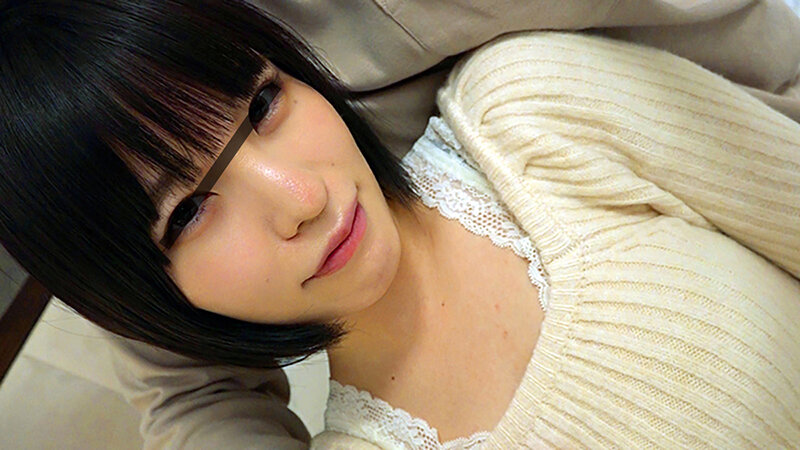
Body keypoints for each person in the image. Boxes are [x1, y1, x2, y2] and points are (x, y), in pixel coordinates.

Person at [1, 1, 799, 449]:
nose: (301, 197)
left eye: (265, 105)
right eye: (191, 210)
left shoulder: (532, 104)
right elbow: (187, 393)